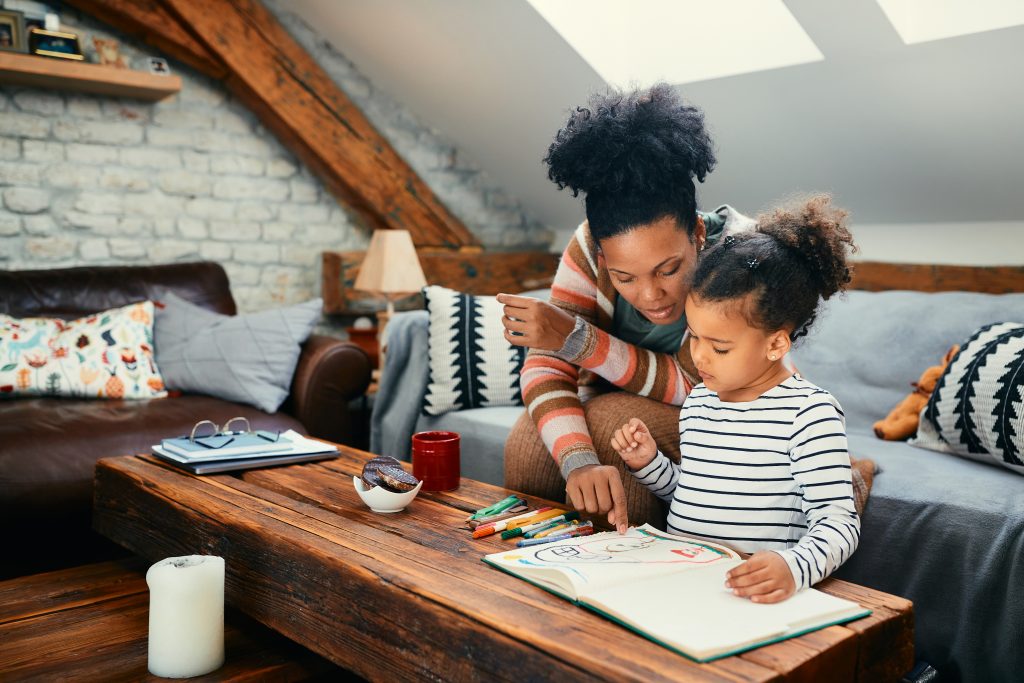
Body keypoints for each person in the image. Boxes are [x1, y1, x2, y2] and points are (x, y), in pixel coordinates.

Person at [498, 83, 755, 533]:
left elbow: (704, 384)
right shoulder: (588, 247)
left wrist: (578, 341)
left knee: (617, 425)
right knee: (527, 443)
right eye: (624, 278)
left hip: (735, 410)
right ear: (602, 258)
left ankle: (637, 587)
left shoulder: (740, 256)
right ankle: (539, 583)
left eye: (668, 269)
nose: (651, 295)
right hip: (631, 400)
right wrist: (576, 461)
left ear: (696, 233)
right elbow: (546, 367)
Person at [610, 195, 860, 603]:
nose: (699, 356)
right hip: (685, 580)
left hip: (748, 596)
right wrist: (650, 465)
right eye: (694, 336)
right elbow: (693, 493)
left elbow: (838, 524)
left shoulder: (809, 414)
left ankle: (857, 475)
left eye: (720, 347)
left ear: (777, 344)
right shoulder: (700, 403)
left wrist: (794, 567)